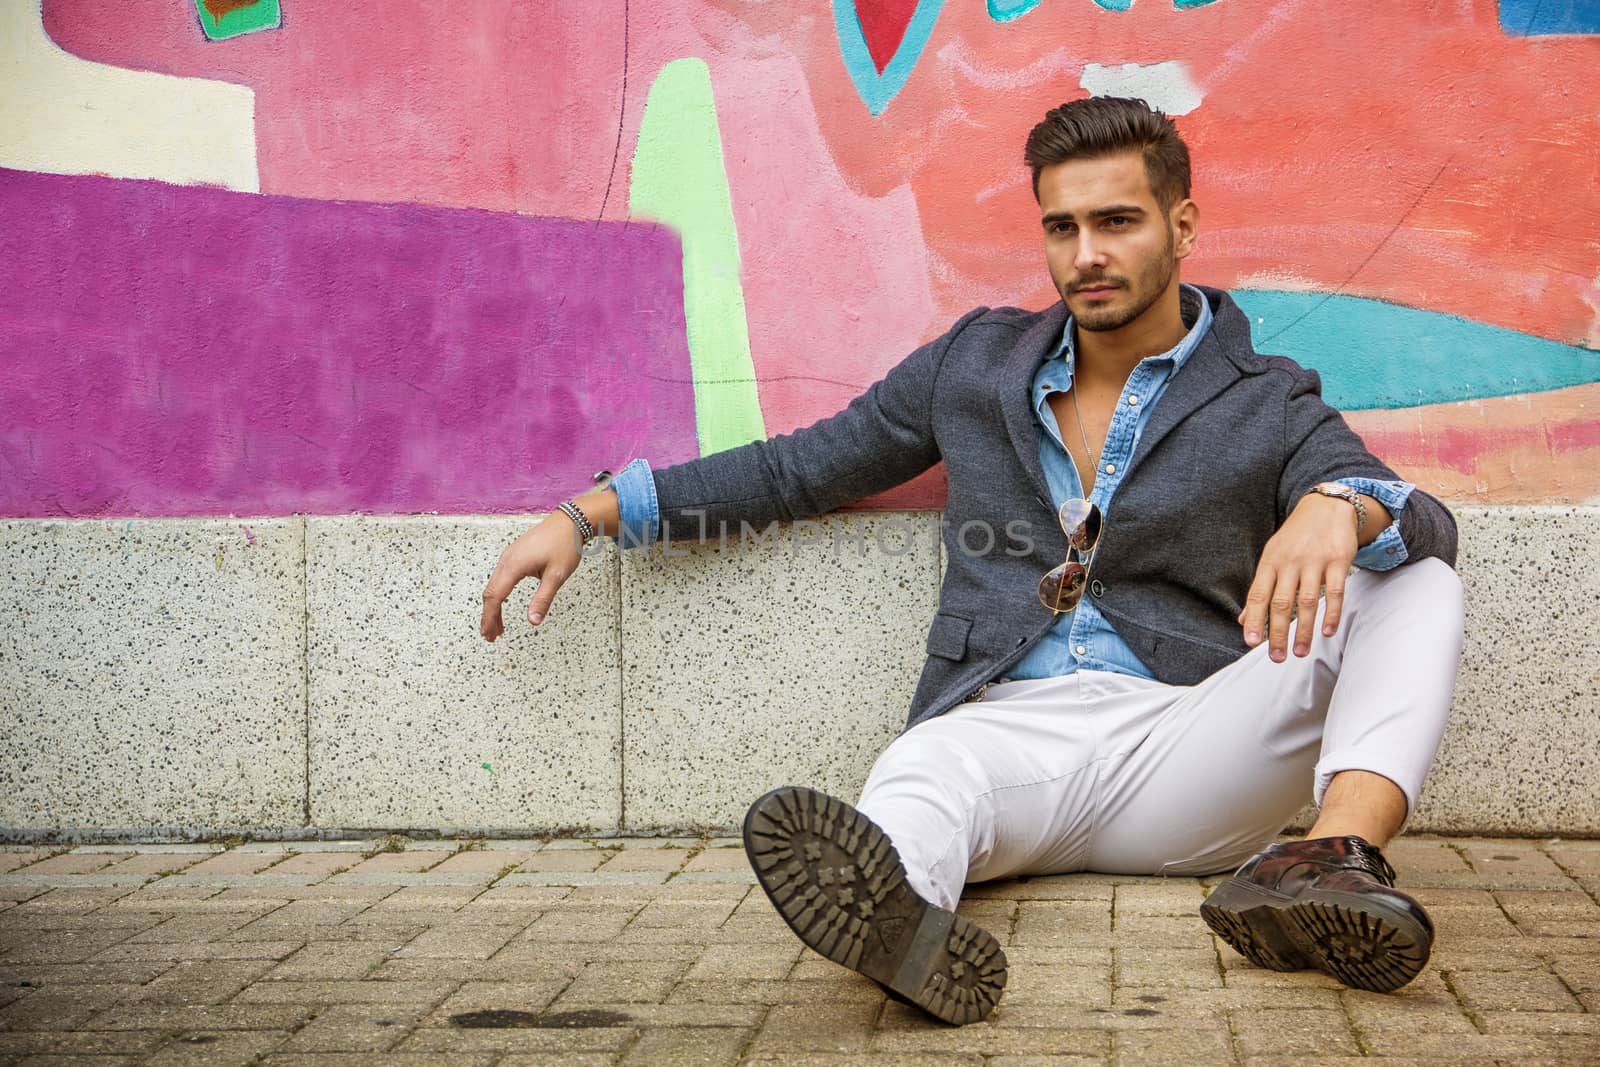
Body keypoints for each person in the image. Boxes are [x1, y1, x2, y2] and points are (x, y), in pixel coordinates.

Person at [479, 96, 1464, 1026]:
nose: (1086, 254)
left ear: (1183, 224)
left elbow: (1410, 514)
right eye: (1061, 227)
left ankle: (1327, 861)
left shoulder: (1264, 393)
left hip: (1188, 744)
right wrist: (595, 511)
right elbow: (805, 466)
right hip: (1006, 739)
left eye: (1117, 221)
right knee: (919, 770)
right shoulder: (977, 364)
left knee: (1413, 575)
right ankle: (901, 923)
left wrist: (1339, 503)